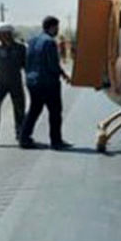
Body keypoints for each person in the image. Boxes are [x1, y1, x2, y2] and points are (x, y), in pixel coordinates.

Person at [19, 16, 73, 149]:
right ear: (52, 27)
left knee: (34, 110)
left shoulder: (31, 41)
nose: (57, 31)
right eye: (57, 28)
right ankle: (56, 141)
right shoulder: (49, 42)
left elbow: (27, 61)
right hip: (47, 82)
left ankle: (24, 138)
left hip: (32, 81)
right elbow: (53, 64)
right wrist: (63, 74)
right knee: (55, 111)